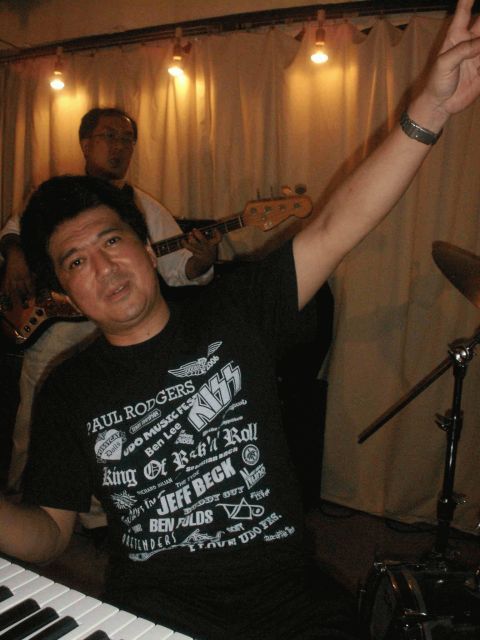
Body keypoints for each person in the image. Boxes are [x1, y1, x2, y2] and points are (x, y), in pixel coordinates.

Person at [1, 1, 480, 637]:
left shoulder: (235, 311)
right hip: (153, 610)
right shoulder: (68, 389)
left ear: (146, 247)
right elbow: (50, 533)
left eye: (112, 241)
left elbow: (338, 225)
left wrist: (430, 111)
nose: (104, 268)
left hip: (289, 601)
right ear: (65, 289)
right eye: (77, 262)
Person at [0, 107, 220, 497]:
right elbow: (16, 228)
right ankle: (23, 499)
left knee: (110, 420)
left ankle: (102, 511)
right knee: (34, 414)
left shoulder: (145, 207)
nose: (119, 147)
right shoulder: (55, 195)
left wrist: (201, 262)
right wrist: (15, 255)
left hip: (114, 330)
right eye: (109, 136)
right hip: (55, 325)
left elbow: (176, 268)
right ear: (85, 144)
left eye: (127, 139)